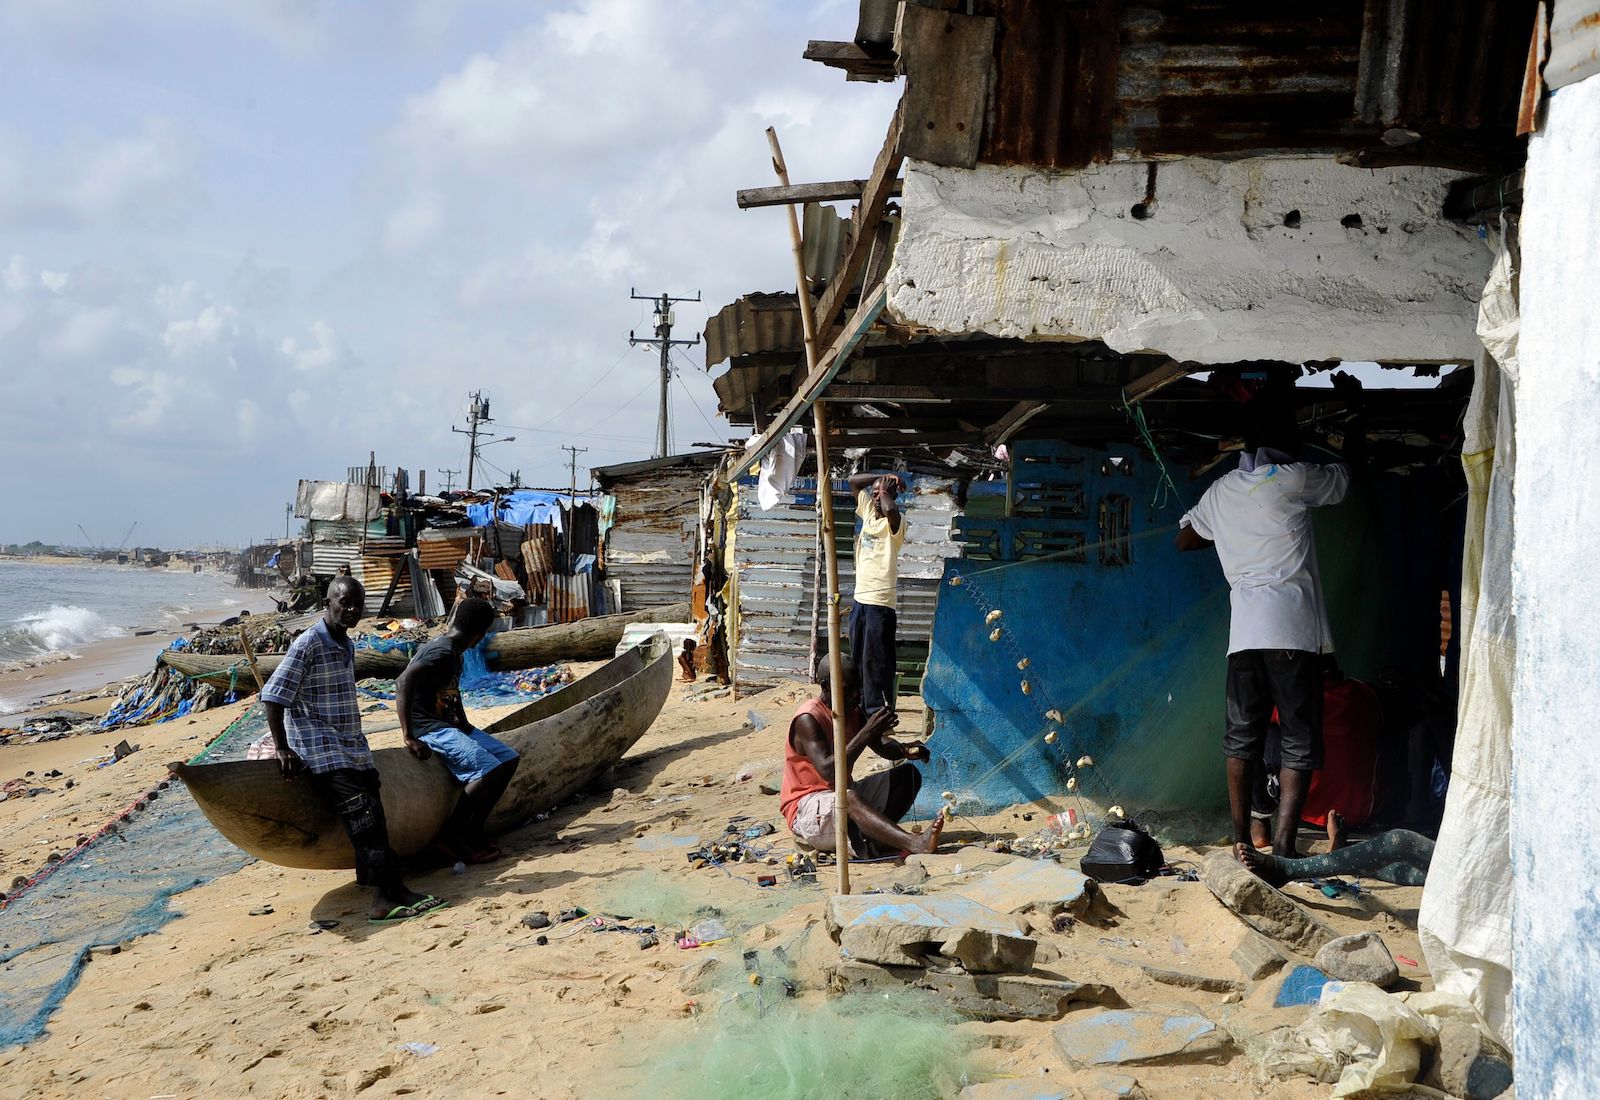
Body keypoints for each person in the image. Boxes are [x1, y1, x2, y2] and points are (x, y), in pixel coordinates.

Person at [1176, 373, 1364, 870]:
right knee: (1299, 740)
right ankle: (1282, 848)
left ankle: (1240, 839)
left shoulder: (1221, 491)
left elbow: (1185, 539)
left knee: (1242, 738)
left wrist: (1227, 528)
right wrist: (1356, 422)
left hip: (1244, 639)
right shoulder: (1294, 478)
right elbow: (1345, 479)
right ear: (1287, 443)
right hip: (1292, 635)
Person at [260, 576, 444, 923]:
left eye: (358, 604)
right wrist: (283, 748)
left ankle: (385, 890)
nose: (352, 610)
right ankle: (385, 896)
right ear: (327, 603)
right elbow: (273, 695)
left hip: (352, 746)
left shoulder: (345, 644)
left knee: (374, 809)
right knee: (365, 817)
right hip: (321, 748)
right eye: (345, 603)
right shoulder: (308, 644)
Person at [395, 597, 521, 864]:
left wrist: (464, 725)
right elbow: (403, 681)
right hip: (430, 728)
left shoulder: (453, 651)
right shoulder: (441, 652)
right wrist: (408, 734)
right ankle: (450, 836)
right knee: (489, 770)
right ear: (480, 634)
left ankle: (474, 830)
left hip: (449, 724)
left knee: (509, 758)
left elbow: (449, 694)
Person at [780, 654, 944, 857]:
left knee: (908, 776)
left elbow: (881, 745)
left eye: (858, 687)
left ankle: (873, 839)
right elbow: (829, 771)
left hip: (844, 796)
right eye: (848, 689)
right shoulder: (808, 719)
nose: (856, 695)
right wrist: (867, 731)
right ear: (825, 686)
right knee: (849, 798)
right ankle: (914, 843)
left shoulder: (851, 710)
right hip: (807, 807)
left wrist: (903, 749)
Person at [1249, 655, 1384, 851]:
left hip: (1308, 813)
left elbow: (1255, 717)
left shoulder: (1294, 697)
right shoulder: (1365, 693)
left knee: (1259, 732)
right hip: (1361, 814)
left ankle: (1260, 820)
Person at [846, 471, 908, 715]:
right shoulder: (869, 513)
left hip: (880, 604)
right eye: (873, 494)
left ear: (890, 496)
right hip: (860, 600)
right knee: (857, 658)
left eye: (880, 495)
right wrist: (882, 476)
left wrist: (884, 492)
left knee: (876, 661)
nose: (875, 499)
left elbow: (891, 511)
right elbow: (853, 482)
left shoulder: (896, 523)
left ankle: (878, 712)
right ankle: (861, 708)